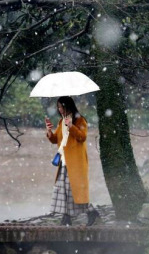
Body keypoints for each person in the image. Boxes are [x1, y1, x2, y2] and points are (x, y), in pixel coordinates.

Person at [46, 96, 99, 226]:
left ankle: (90, 212)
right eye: (58, 107)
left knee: (74, 191)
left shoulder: (80, 120)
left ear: (67, 106)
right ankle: (67, 217)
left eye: (60, 106)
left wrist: (71, 126)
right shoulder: (60, 122)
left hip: (76, 163)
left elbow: (82, 137)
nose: (59, 109)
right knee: (62, 189)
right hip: (63, 162)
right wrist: (48, 131)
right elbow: (54, 140)